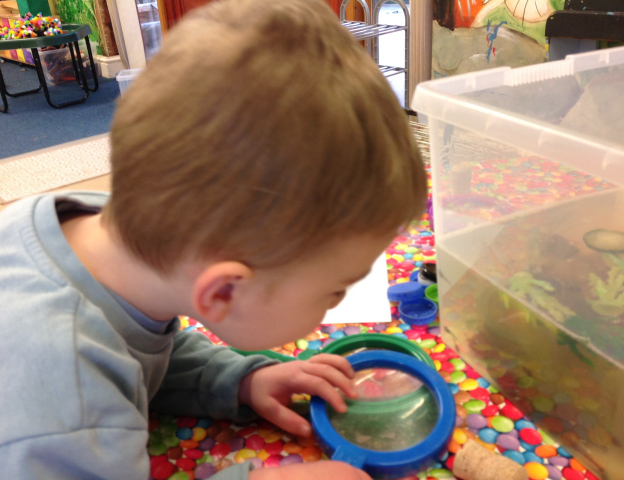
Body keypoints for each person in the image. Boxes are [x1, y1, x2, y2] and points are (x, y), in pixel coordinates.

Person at [0, 0, 426, 477]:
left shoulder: (103, 235)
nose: (339, 301)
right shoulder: (63, 400)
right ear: (223, 291)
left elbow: (136, 350)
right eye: (334, 290)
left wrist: (239, 378)